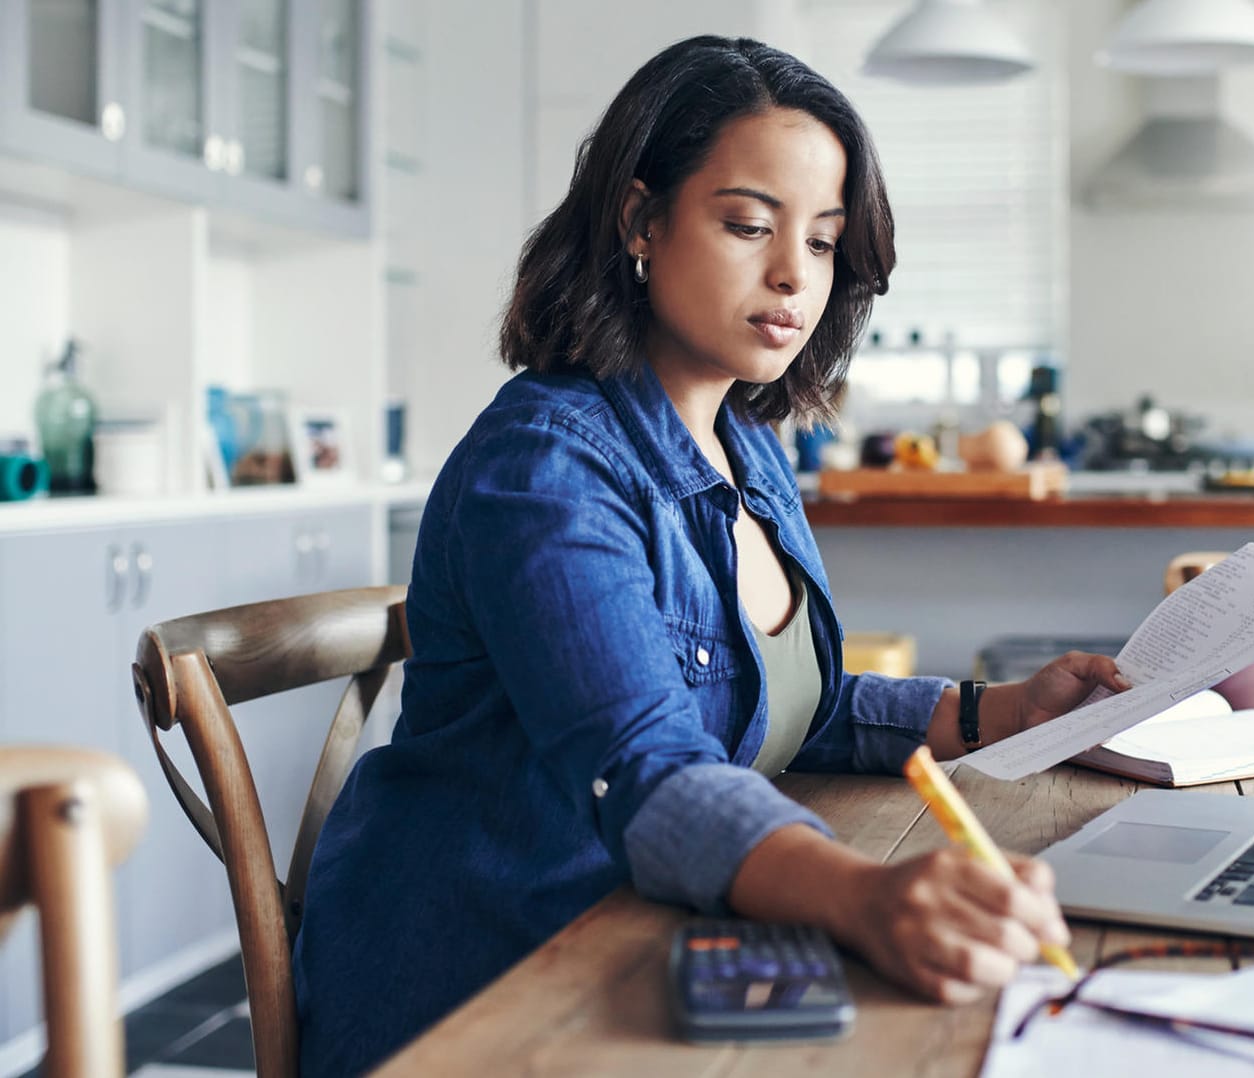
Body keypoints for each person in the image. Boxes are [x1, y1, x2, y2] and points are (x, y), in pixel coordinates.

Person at [292, 34, 1127, 1074]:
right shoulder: (546, 465)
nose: (793, 275)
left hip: (645, 941)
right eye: (748, 225)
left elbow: (789, 703)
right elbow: (649, 764)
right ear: (641, 219)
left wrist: (997, 712)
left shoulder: (749, 445)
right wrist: (865, 893)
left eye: (823, 242)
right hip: (492, 987)